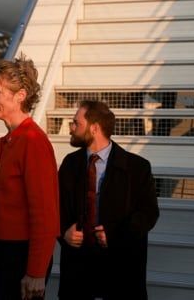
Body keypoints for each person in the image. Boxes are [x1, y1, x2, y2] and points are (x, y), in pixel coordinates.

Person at [58, 100, 159, 299]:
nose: (71, 128)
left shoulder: (137, 167)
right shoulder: (70, 164)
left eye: (76, 123)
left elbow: (149, 213)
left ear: (94, 128)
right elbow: (56, 207)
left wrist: (115, 235)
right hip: (77, 269)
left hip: (121, 268)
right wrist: (63, 232)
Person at [0, 56, 59, 300]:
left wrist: (36, 272)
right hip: (6, 253)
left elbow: (45, 214)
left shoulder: (32, 141)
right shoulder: (16, 139)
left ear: (20, 95)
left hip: (21, 257)